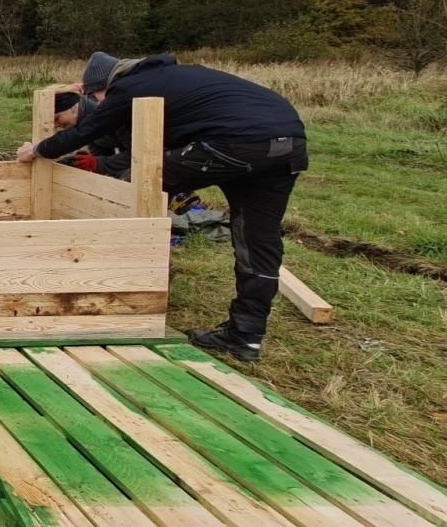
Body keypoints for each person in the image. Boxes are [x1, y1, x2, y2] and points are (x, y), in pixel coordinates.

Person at [16, 51, 307, 362]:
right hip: (288, 143)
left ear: (105, 84)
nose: (100, 102)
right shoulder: (171, 79)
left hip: (233, 142)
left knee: (138, 181)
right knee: (257, 241)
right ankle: (245, 337)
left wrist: (38, 149)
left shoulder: (128, 87)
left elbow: (85, 131)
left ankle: (130, 285)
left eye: (97, 96)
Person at [51, 87, 130, 180]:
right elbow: (102, 158)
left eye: (57, 118)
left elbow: (136, 157)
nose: (55, 125)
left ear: (73, 107)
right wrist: (92, 163)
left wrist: (96, 163)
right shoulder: (83, 127)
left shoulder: (111, 115)